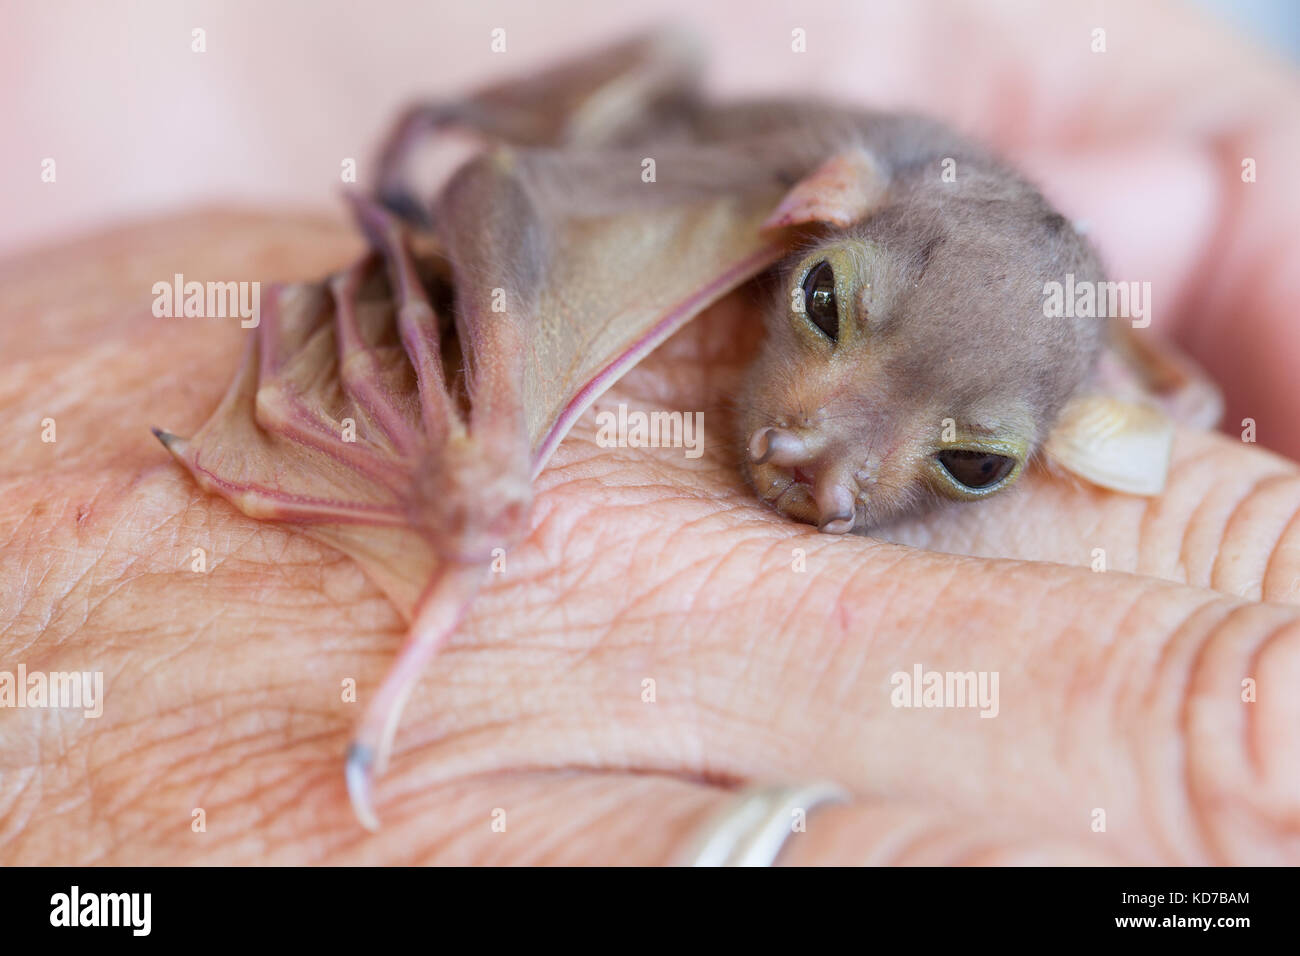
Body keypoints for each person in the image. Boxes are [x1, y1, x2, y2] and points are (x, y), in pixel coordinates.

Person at [1, 0, 1297, 864]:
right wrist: (494, 443)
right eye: (827, 307)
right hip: (631, 163)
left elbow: (1161, 388)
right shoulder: (817, 180)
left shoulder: (1096, 338)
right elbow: (509, 189)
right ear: (819, 210)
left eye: (969, 460)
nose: (821, 465)